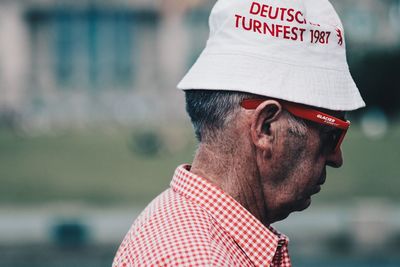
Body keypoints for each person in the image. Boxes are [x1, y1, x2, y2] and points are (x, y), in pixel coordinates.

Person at [113, 0, 365, 266]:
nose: (337, 158)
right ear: (266, 128)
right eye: (331, 134)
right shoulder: (200, 260)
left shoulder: (184, 228)